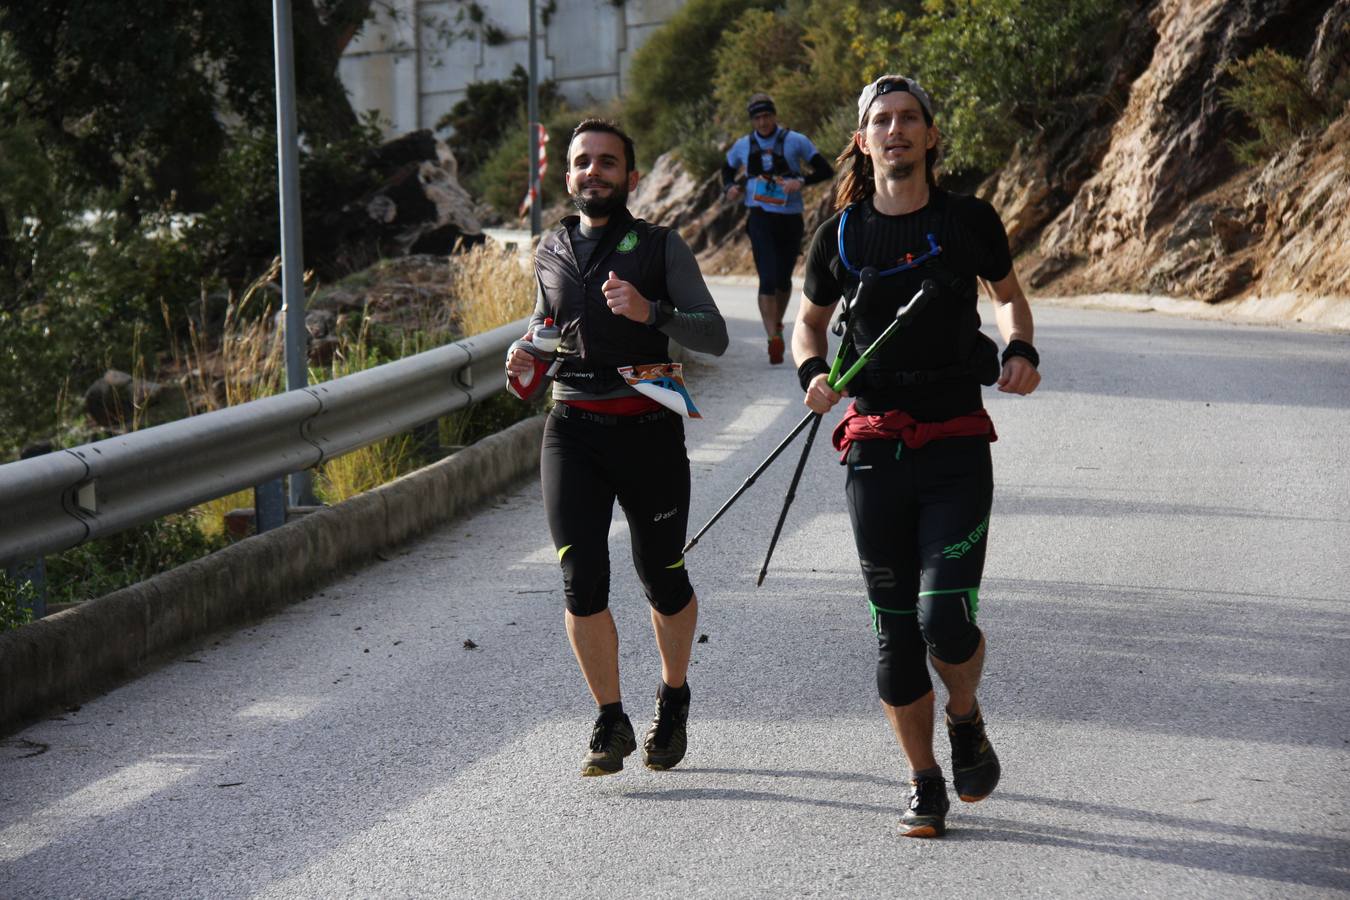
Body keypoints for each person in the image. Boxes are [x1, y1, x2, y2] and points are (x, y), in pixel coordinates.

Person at [791, 75, 1041, 838]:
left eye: (908, 119)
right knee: (895, 631)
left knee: (945, 620)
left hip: (956, 440)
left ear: (931, 136)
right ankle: (924, 780)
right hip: (874, 448)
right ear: (862, 141)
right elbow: (809, 324)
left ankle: (965, 716)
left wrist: (1020, 348)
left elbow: (1008, 296)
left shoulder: (967, 220)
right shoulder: (839, 235)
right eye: (881, 121)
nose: (895, 130)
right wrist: (813, 374)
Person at [507, 118, 729, 777]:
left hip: (647, 428)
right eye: (583, 161)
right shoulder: (550, 247)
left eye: (607, 162)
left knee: (662, 575)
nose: (594, 172)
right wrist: (525, 352)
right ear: (567, 175)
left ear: (631, 177)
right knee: (580, 580)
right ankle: (610, 719)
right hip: (571, 428)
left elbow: (714, 335)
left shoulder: (660, 247)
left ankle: (673, 695)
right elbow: (546, 326)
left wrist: (650, 312)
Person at [722, 93, 834, 365]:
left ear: (774, 115)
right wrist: (730, 187)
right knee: (767, 277)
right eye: (757, 118)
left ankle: (778, 325)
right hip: (759, 216)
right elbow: (726, 170)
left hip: (790, 217)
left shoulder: (796, 141)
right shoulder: (743, 145)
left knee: (783, 279)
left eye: (767, 116)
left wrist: (801, 182)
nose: (763, 122)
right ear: (752, 120)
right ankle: (773, 336)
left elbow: (825, 170)